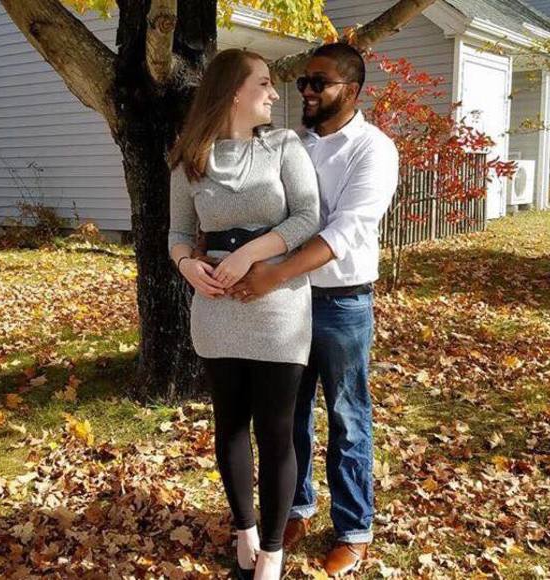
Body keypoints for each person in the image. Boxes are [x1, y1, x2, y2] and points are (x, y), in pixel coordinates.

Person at [228, 43, 399, 577]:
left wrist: (275, 273)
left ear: (351, 90)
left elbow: (347, 229)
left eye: (318, 83)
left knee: (347, 417)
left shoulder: (373, 149)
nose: (305, 90)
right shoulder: (291, 144)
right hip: (288, 303)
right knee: (287, 416)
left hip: (342, 302)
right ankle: (296, 508)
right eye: (303, 81)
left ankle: (353, 528)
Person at [167, 49, 320, 580]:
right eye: (264, 83)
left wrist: (249, 253)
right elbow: (178, 233)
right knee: (230, 425)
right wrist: (188, 266)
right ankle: (245, 532)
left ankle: (273, 550)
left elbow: (308, 217)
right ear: (234, 91)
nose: (275, 93)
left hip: (278, 308)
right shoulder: (190, 158)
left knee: (276, 431)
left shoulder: (283, 146)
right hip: (216, 308)